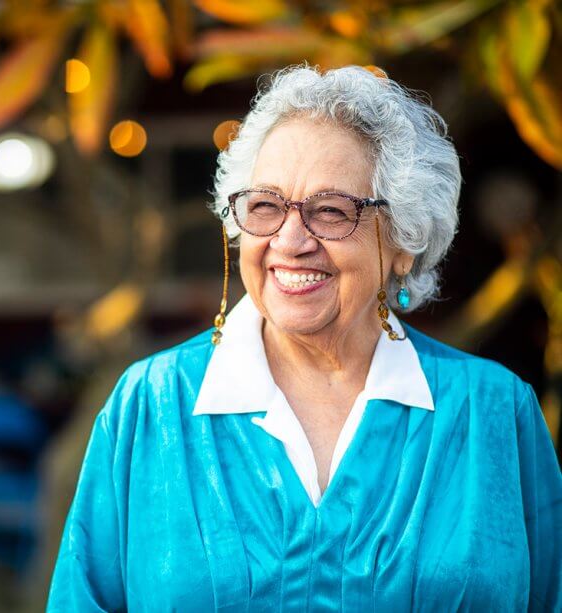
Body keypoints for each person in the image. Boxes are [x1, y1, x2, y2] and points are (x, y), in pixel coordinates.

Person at [46, 64, 562, 611]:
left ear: (405, 239)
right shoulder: (150, 405)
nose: (290, 241)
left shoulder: (495, 411)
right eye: (265, 206)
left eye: (332, 211)